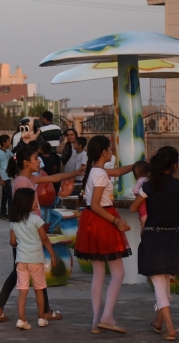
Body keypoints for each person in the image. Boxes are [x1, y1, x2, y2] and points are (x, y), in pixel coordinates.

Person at [0, 145, 83, 323]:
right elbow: (20, 210)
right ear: (26, 163)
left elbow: (55, 177)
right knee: (36, 269)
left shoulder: (28, 178)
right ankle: (44, 311)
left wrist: (75, 172)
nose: (39, 161)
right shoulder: (22, 183)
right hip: (29, 235)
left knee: (19, 271)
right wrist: (36, 230)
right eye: (35, 158)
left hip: (26, 234)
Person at [73, 135, 134, 335]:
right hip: (104, 220)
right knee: (118, 273)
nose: (112, 151)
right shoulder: (98, 174)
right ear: (104, 152)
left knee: (99, 274)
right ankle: (107, 317)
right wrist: (116, 221)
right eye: (110, 149)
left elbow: (117, 171)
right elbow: (97, 204)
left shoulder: (96, 171)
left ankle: (96, 321)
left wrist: (137, 165)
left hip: (93, 221)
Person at [134, 146, 179, 341]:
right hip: (172, 237)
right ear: (175, 166)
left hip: (153, 237)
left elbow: (133, 207)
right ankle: (159, 322)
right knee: (165, 281)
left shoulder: (148, 187)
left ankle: (170, 328)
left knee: (158, 283)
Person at [9, 187, 58, 330]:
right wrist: (52, 254)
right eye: (34, 199)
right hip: (36, 259)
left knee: (22, 290)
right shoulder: (37, 219)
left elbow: (12, 242)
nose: (37, 201)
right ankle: (41, 317)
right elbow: (44, 239)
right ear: (27, 203)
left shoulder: (14, 221)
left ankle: (21, 319)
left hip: (21, 260)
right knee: (39, 289)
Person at [0, 134, 14, 221]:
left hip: (8, 177)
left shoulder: (8, 152)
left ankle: (2, 214)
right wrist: (0, 178)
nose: (10, 142)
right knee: (10, 196)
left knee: (5, 197)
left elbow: (13, 157)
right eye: (8, 141)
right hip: (4, 178)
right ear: (4, 143)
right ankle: (10, 213)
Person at [131, 160, 150, 233]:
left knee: (143, 226)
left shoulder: (141, 180)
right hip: (145, 208)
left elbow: (135, 191)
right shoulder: (146, 180)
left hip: (142, 209)